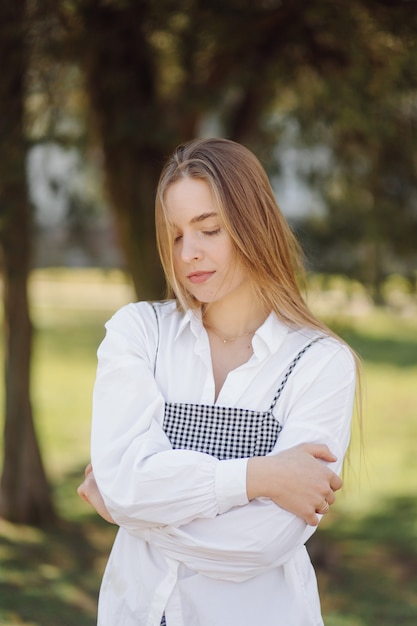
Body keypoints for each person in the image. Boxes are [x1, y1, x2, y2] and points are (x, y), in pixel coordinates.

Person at [78, 137, 358, 626]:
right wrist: (259, 477)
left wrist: (130, 512)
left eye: (208, 229)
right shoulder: (140, 333)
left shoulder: (320, 362)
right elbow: (125, 484)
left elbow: (262, 542)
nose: (189, 253)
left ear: (254, 226)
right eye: (177, 234)